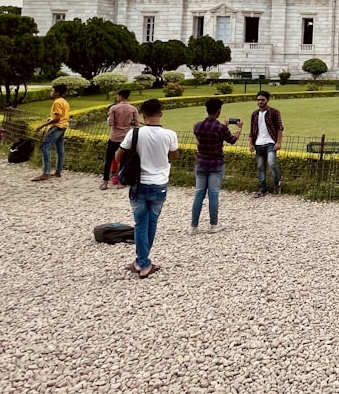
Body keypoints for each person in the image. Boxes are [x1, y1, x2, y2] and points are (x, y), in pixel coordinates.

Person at [117, 98, 178, 278]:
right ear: (160, 113)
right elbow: (174, 155)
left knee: (140, 224)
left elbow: (119, 156)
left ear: (143, 115)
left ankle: (142, 261)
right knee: (152, 223)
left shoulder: (135, 134)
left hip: (139, 183)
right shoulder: (169, 134)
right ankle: (143, 261)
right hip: (159, 184)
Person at [191, 98, 242, 233]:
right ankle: (214, 224)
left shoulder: (197, 126)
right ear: (218, 110)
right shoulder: (221, 128)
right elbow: (232, 140)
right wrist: (238, 129)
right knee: (213, 194)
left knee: (199, 194)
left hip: (201, 163)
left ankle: (194, 226)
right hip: (216, 164)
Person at [102, 89, 138, 190]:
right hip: (125, 137)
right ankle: (120, 182)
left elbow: (111, 123)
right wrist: (127, 123)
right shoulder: (133, 109)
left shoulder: (114, 108)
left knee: (109, 159)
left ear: (120, 96)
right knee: (123, 160)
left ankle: (105, 182)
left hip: (114, 137)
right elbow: (136, 123)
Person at [32, 84, 69, 182]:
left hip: (56, 127)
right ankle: (58, 171)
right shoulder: (64, 101)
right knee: (60, 148)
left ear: (57, 93)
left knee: (45, 147)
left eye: (52, 91)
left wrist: (42, 125)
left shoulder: (57, 102)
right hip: (63, 126)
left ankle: (46, 172)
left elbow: (57, 118)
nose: (51, 92)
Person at [250, 90, 284, 197]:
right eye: (258, 100)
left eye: (262, 100)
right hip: (258, 144)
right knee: (260, 166)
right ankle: (262, 188)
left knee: (272, 164)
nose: (260, 102)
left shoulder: (274, 112)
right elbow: (252, 130)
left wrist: (278, 142)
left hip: (270, 143)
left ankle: (276, 185)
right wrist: (251, 143)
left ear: (267, 100)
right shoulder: (254, 114)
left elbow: (279, 128)